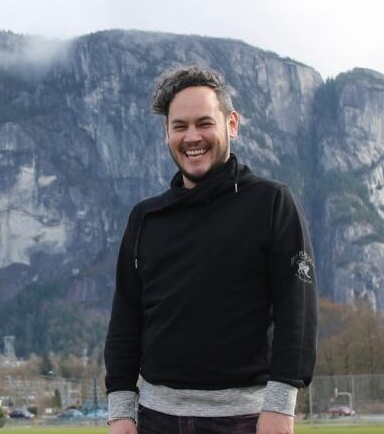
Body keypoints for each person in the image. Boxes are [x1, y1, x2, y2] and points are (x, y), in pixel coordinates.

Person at [104, 65, 317, 434]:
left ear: (231, 124)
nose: (192, 137)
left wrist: (280, 407)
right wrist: (121, 411)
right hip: (156, 419)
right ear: (166, 132)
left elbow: (296, 312)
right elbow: (125, 319)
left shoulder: (271, 203)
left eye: (205, 123)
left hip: (245, 420)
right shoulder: (145, 218)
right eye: (180, 126)